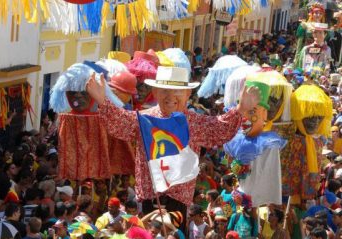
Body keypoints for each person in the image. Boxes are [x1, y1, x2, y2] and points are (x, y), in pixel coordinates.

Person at [86, 66, 260, 223]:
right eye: (164, 91)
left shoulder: (194, 122)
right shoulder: (144, 119)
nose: (170, 97)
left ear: (187, 94)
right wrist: (102, 101)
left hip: (179, 201)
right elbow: (121, 122)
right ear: (155, 91)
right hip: (149, 198)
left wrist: (241, 109)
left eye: (177, 91)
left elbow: (218, 129)